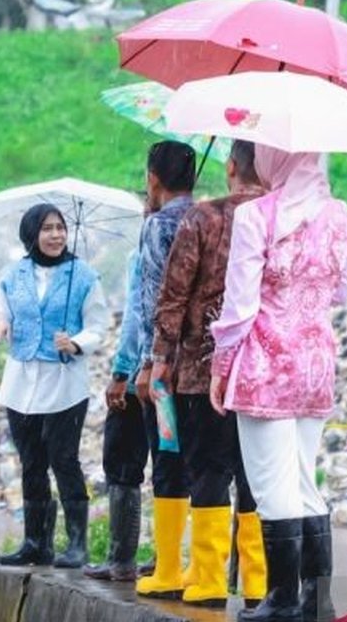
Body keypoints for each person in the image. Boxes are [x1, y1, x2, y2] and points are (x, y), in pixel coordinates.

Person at [209, 148, 347, 622]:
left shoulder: (257, 214)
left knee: (273, 486)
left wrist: (221, 365)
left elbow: (239, 307)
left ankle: (281, 600)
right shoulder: (340, 214)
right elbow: (342, 290)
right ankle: (318, 600)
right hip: (316, 363)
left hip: (266, 365)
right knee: (303, 479)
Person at [149, 139, 268, 608]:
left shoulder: (204, 217)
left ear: (231, 165)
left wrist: (161, 357)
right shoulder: (282, 219)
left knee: (209, 469)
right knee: (257, 474)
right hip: (263, 372)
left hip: (203, 369)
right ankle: (259, 583)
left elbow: (174, 294)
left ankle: (209, 579)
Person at [0, 203, 109, 569]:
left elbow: (98, 325)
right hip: (22, 382)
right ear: (31, 234)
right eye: (47, 228)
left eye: (60, 228)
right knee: (31, 463)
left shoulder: (82, 276)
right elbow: (1, 310)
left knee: (64, 460)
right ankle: (35, 542)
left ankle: (77, 545)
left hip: (64, 383)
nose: (55, 235)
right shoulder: (13, 275)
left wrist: (77, 342)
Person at [133, 139, 198, 599]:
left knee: (167, 459)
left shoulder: (158, 225)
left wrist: (145, 366)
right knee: (205, 464)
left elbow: (156, 300)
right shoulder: (210, 217)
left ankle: (168, 565)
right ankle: (202, 567)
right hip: (204, 365)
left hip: (164, 365)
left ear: (153, 179)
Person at [81, 245, 148, 581]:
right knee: (177, 473)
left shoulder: (147, 248)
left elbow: (137, 314)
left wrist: (122, 372)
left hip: (142, 377)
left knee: (122, 463)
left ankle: (121, 559)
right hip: (188, 379)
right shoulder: (209, 235)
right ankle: (173, 565)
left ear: (154, 189)